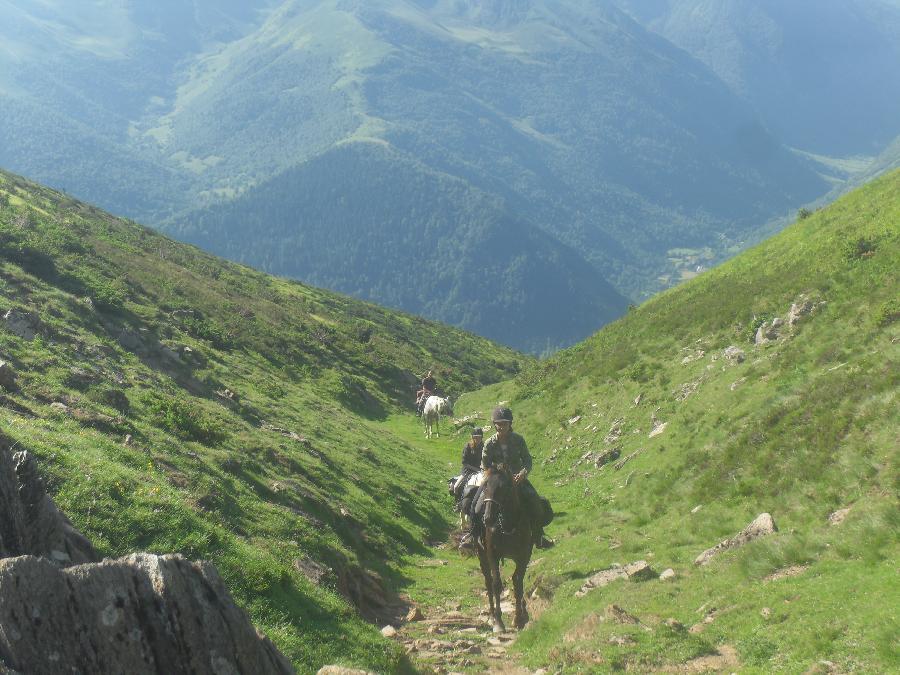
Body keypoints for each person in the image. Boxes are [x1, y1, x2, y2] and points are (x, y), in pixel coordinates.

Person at [460, 406, 553, 550]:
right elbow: (484, 465)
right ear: (494, 424)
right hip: (495, 481)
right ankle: (473, 536)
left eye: (504, 423)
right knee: (475, 506)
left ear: (510, 424)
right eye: (498, 423)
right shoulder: (489, 443)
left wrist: (523, 473)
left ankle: (538, 535)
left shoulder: (519, 440)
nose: (501, 426)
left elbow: (527, 460)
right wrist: (493, 474)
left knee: (535, 501)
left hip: (517, 480)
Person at [454, 428, 484, 503]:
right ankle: (458, 503)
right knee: (456, 487)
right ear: (472, 437)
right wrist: (475, 469)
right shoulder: (467, 446)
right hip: (467, 470)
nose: (477, 439)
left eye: (479, 437)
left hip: (479, 471)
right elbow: (464, 462)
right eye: (475, 437)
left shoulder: (484, 447)